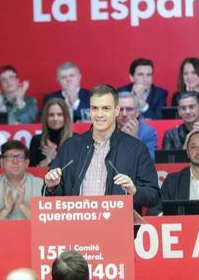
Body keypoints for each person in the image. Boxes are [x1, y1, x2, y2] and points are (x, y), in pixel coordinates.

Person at [43, 84, 160, 212]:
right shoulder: (71, 146)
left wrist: (134, 191)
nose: (99, 114)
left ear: (116, 110)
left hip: (116, 227)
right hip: (76, 226)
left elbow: (153, 195)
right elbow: (51, 194)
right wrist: (51, 187)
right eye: (94, 108)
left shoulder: (136, 149)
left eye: (105, 108)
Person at [0, 140, 43, 220]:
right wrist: (5, 210)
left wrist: (22, 205)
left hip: (30, 232)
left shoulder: (40, 185)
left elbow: (45, 223)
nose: (15, 161)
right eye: (9, 156)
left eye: (20, 157)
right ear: (1, 163)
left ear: (27, 163)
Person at [29, 98, 73, 167]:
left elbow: (76, 171)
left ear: (66, 117)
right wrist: (46, 162)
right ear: (46, 118)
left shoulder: (75, 140)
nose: (55, 118)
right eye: (51, 115)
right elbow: (31, 171)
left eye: (59, 114)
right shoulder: (36, 140)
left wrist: (55, 157)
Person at [117, 92, 157, 161]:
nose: (124, 114)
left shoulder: (147, 132)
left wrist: (134, 139)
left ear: (137, 113)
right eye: (120, 109)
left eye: (129, 109)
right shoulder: (106, 130)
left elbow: (151, 159)